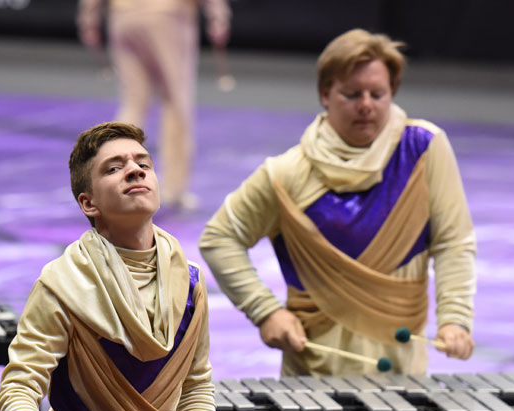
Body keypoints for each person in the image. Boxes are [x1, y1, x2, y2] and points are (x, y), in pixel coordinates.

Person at [199, 29, 476, 377]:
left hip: (403, 375)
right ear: (324, 94)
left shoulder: (424, 150)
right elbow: (220, 237)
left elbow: (453, 241)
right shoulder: (287, 174)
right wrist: (265, 311)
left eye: (378, 94)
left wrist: (455, 319)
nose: (366, 105)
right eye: (351, 94)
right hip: (312, 376)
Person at [0, 122, 219, 411]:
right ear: (89, 203)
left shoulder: (190, 283)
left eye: (142, 163)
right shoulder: (62, 285)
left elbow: (196, 386)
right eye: (114, 168)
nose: (135, 170)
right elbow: (15, 393)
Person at [77, 0, 231, 211]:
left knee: (133, 102)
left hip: (123, 16)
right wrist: (218, 13)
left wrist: (88, 16)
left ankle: (111, 180)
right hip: (168, 15)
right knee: (175, 102)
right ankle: (174, 190)